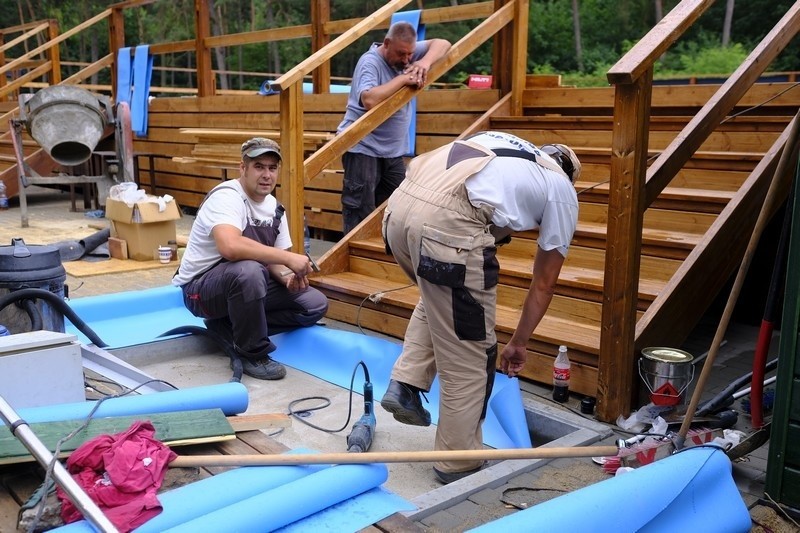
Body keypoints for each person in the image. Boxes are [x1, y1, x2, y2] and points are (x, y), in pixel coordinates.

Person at [378, 131, 581, 483]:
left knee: (442, 298)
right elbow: (544, 283)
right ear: (568, 173)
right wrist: (518, 342)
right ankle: (459, 463)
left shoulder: (502, 145)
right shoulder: (561, 188)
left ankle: (405, 383)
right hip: (445, 226)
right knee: (471, 357)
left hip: (396, 211)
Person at [173, 137, 329, 380]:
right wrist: (288, 259)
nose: (266, 175)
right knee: (249, 271)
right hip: (201, 291)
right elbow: (230, 247)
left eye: (272, 168)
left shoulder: (275, 208)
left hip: (244, 282)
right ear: (242, 168)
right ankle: (252, 352)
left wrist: (285, 277)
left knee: (314, 304)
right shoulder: (227, 197)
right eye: (259, 167)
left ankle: (227, 328)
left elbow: (274, 262)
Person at [337, 21, 451, 235]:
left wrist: (425, 62)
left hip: (392, 152)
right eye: (401, 54)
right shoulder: (369, 61)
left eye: (410, 54)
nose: (407, 59)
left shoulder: (408, 52)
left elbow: (443, 43)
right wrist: (404, 79)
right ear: (387, 43)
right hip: (362, 147)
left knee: (398, 207)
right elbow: (369, 99)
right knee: (360, 212)